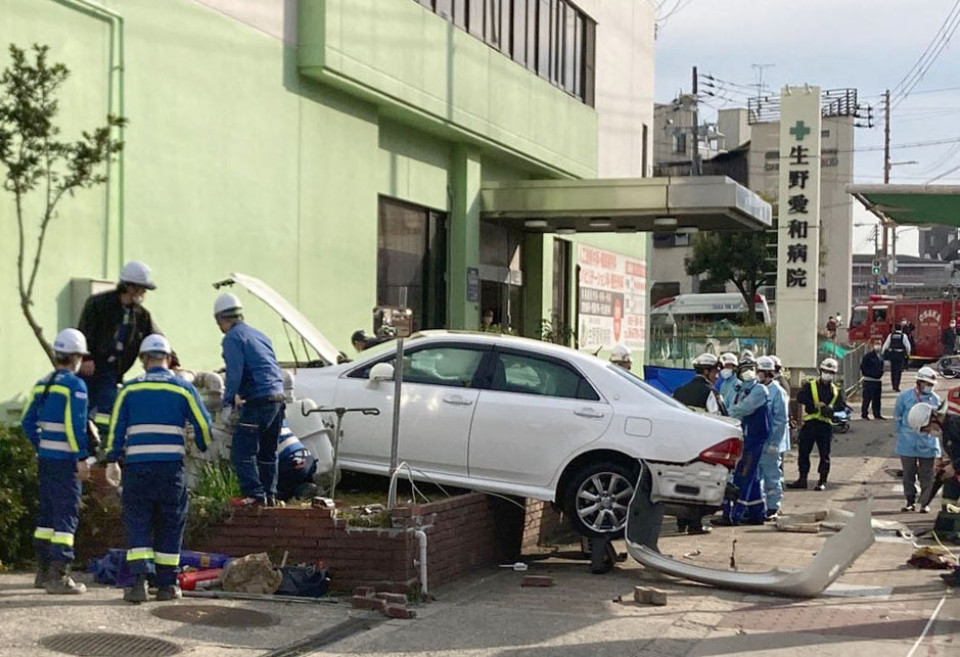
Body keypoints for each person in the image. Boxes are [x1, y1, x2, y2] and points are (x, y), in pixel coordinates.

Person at [105, 334, 211, 603]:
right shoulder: (183, 389)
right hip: (170, 471)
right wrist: (201, 444)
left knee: (138, 521)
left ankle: (139, 582)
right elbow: (204, 426)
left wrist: (111, 458)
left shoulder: (129, 390)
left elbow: (115, 428)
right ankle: (166, 586)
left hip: (137, 469)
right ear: (169, 359)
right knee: (170, 523)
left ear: (143, 361)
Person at [21, 329, 92, 594]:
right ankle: (60, 576)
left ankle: (42, 572)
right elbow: (76, 425)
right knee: (65, 517)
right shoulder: (75, 386)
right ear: (75, 356)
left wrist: (41, 445)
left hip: (47, 460)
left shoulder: (43, 383)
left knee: (46, 517)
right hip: (65, 462)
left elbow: (27, 422)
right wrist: (81, 457)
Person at [77, 261, 164, 441]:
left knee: (107, 411)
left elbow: (156, 338)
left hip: (111, 371)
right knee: (80, 409)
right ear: (130, 287)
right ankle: (86, 446)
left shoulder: (141, 315)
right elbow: (84, 331)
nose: (144, 293)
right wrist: (86, 358)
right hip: (91, 368)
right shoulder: (98, 304)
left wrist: (172, 362)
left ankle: (105, 447)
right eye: (142, 289)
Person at [214, 292, 285, 506]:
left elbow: (234, 372)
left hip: (258, 402)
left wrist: (227, 403)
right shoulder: (260, 335)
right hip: (278, 400)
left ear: (221, 319)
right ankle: (269, 496)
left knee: (242, 453)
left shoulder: (233, 338)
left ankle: (254, 495)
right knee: (267, 452)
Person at [907, 402, 960, 587]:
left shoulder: (955, 426)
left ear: (933, 418)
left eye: (927, 428)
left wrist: (955, 466)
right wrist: (949, 464)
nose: (929, 432)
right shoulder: (948, 429)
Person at [672, 353, 725, 534]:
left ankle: (681, 522)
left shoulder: (679, 391)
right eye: (715, 372)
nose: (717, 376)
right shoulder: (710, 392)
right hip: (703, 445)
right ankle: (695, 525)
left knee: (682, 481)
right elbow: (719, 419)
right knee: (699, 484)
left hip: (680, 444)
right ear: (706, 371)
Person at [716, 358, 770, 526]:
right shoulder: (740, 388)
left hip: (753, 439)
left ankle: (733, 514)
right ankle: (756, 512)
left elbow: (743, 408)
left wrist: (726, 417)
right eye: (744, 369)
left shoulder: (759, 390)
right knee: (752, 477)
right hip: (744, 437)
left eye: (751, 369)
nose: (748, 372)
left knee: (743, 475)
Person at [788, 358, 846, 491]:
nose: (828, 374)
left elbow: (841, 407)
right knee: (803, 453)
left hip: (825, 426)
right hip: (810, 424)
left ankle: (822, 481)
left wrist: (831, 410)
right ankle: (802, 479)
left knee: (824, 455)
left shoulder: (836, 390)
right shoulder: (810, 385)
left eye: (831, 372)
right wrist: (814, 404)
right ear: (821, 371)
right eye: (826, 371)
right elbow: (800, 398)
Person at [894, 366, 941, 513]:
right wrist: (902, 432)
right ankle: (910, 501)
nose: (929, 387)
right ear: (919, 382)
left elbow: (938, 421)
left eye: (932, 385)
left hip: (928, 443)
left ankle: (925, 503)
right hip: (907, 443)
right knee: (908, 474)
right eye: (927, 384)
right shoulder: (905, 397)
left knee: (927, 476)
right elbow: (898, 416)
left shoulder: (935, 399)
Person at [277, 371, 319, 502]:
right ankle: (304, 490)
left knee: (279, 490)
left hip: (289, 461)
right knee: (296, 478)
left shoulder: (259, 421)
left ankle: (294, 494)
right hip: (307, 457)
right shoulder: (281, 418)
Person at [757, 356, 789, 519]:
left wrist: (774, 442)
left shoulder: (778, 392)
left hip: (771, 443)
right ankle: (760, 505)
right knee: (758, 476)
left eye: (760, 372)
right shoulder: (758, 389)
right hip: (759, 441)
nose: (757, 375)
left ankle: (773, 507)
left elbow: (781, 419)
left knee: (772, 475)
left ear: (768, 373)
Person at [860, 338, 886, 420]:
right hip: (869, 380)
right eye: (876, 343)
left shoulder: (881, 356)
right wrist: (871, 374)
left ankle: (877, 414)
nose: (878, 346)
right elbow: (863, 367)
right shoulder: (868, 356)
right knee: (867, 399)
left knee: (877, 399)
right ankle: (864, 414)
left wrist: (880, 373)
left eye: (879, 344)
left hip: (877, 381)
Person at [883, 322, 912, 392]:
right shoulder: (903, 336)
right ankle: (897, 386)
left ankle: (893, 385)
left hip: (893, 354)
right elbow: (908, 346)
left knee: (893, 370)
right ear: (901, 328)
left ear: (895, 329)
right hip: (900, 355)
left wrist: (882, 353)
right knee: (899, 371)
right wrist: (908, 354)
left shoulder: (891, 335)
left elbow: (885, 345)